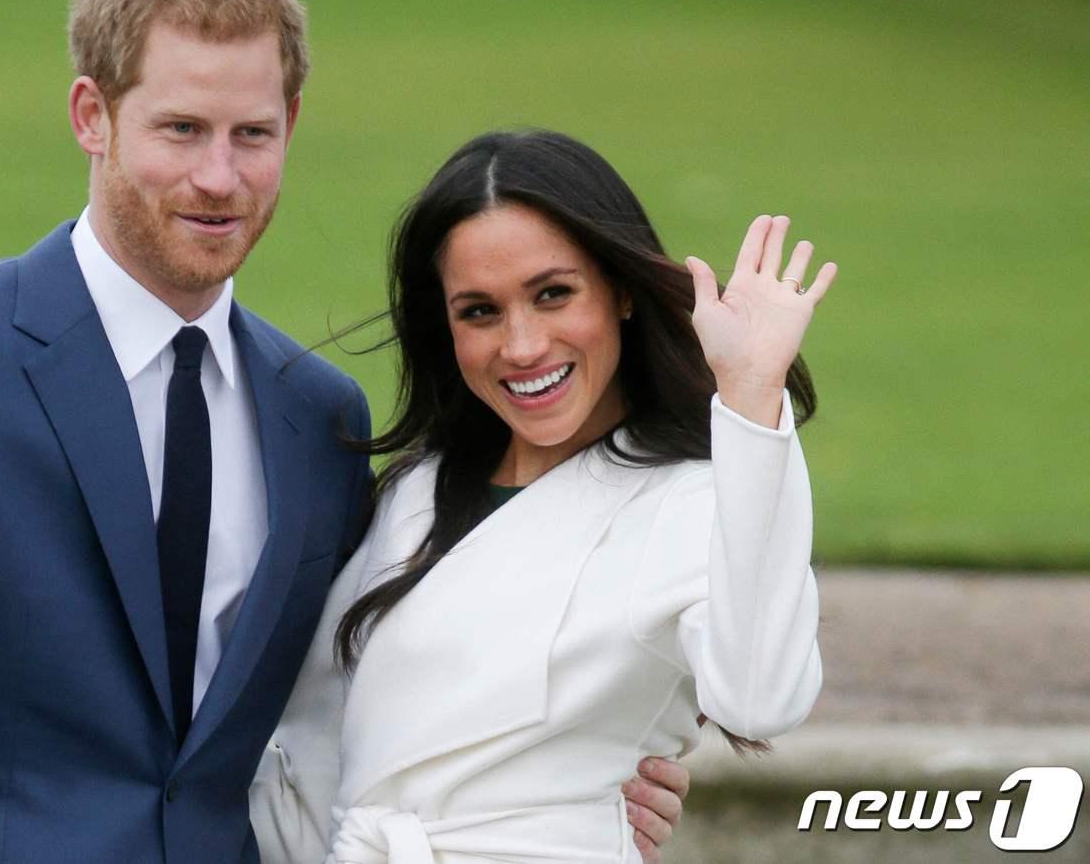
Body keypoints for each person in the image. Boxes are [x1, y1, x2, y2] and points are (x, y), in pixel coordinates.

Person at [0, 0, 687, 864]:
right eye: (180, 129)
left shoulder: (317, 414)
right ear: (91, 114)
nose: (219, 178)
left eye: (250, 134)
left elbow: (365, 681)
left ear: (290, 126)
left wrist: (568, 776)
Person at [250, 129, 836, 863]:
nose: (522, 345)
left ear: (620, 290)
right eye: (480, 311)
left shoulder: (691, 500)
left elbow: (763, 698)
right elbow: (320, 739)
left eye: (553, 294)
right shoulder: (416, 489)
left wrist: (751, 395)